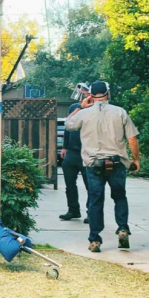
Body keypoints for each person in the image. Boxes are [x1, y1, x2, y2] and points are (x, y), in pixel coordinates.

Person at [64, 80, 140, 253]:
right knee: (120, 197)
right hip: (117, 162)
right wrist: (135, 160)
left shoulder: (84, 114)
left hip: (94, 164)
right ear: (108, 93)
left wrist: (81, 108)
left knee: (96, 201)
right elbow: (132, 139)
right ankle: (122, 229)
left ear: (91, 95)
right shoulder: (120, 112)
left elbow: (69, 125)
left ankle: (95, 240)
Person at [59, 82, 90, 222]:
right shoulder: (74, 108)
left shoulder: (94, 108)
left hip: (86, 151)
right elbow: (67, 126)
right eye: (81, 92)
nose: (82, 94)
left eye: (85, 92)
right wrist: (64, 147)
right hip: (71, 151)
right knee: (69, 184)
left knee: (90, 184)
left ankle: (91, 212)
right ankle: (73, 210)